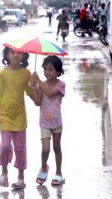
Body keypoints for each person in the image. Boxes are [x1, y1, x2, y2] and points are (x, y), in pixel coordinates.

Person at [0, 46, 35, 189]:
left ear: (24, 55)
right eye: (12, 52)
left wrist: (35, 86)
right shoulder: (2, 74)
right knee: (5, 146)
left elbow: (31, 94)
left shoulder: (26, 73)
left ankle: (21, 177)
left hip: (20, 116)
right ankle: (4, 172)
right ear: (7, 55)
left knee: (20, 148)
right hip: (5, 115)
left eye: (19, 52)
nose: (16, 55)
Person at [30, 55, 65, 186]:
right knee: (45, 149)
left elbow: (50, 93)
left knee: (56, 148)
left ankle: (59, 173)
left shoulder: (61, 85)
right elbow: (38, 103)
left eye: (50, 69)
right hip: (44, 123)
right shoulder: (41, 84)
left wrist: (38, 81)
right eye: (45, 69)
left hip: (56, 123)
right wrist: (34, 88)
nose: (47, 72)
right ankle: (44, 166)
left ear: (58, 71)